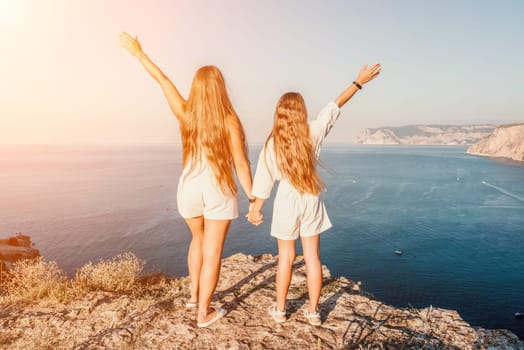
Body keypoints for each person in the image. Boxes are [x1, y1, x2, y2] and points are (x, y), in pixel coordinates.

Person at [120, 32, 254, 328]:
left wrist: (139, 54)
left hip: (189, 187)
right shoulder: (230, 120)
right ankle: (204, 312)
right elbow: (241, 164)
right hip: (218, 188)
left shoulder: (186, 114)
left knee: (197, 238)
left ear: (196, 88)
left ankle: (194, 296)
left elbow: (163, 81)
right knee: (213, 251)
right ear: (220, 88)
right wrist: (254, 199)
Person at [247, 64, 381, 325]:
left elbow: (264, 180)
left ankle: (280, 310)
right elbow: (334, 107)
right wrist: (358, 82)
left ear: (279, 113)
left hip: (286, 201)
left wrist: (255, 209)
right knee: (313, 258)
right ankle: (313, 312)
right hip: (311, 199)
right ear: (302, 112)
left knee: (285, 258)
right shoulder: (313, 132)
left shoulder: (272, 142)